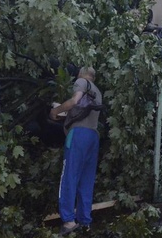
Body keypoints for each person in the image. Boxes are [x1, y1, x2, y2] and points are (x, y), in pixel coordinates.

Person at [49, 66, 102, 235]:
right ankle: (85, 221)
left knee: (69, 176)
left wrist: (56, 111)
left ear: (81, 74)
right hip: (93, 137)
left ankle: (69, 221)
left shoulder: (81, 82)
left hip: (78, 135)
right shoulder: (97, 92)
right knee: (86, 180)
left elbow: (74, 101)